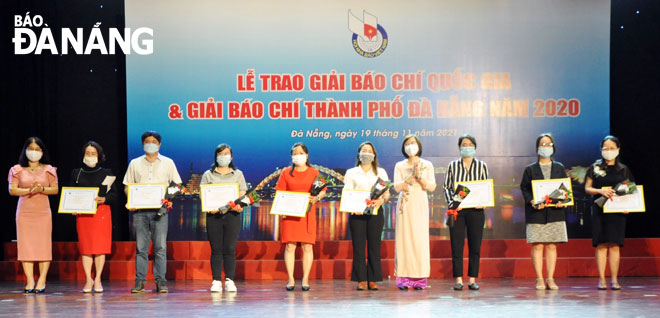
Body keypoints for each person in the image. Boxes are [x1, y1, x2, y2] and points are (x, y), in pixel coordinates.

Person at [123, 131, 182, 293]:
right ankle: (140, 281)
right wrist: (131, 200)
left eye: (154, 141)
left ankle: (160, 281)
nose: (150, 143)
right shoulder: (134, 163)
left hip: (160, 211)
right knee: (141, 248)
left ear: (159, 144)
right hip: (139, 211)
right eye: (147, 141)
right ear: (143, 144)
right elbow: (128, 186)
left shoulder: (168, 163)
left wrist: (170, 197)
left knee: (160, 247)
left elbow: (177, 185)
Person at [8, 137, 59, 294]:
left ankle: (42, 280)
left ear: (42, 152)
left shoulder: (49, 169)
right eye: (31, 148)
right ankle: (30, 280)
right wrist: (28, 191)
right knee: (26, 246)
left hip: (43, 212)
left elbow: (55, 189)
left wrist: (41, 189)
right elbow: (12, 190)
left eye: (37, 149)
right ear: (25, 150)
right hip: (25, 212)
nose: (34, 152)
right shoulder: (16, 169)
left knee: (43, 245)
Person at [520, 133, 568, 290]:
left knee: (552, 245)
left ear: (553, 147)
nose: (545, 147)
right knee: (538, 245)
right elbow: (525, 188)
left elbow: (565, 189)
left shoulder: (559, 168)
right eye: (543, 144)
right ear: (537, 147)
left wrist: (563, 201)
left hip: (555, 213)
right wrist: (532, 201)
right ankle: (539, 278)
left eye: (549, 144)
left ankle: (551, 278)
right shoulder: (530, 169)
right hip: (536, 212)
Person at [275, 142, 326, 291]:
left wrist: (317, 198)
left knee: (307, 246)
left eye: (301, 153)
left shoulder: (314, 172)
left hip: (307, 213)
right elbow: (280, 192)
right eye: (295, 153)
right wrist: (281, 207)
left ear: (307, 155)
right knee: (290, 246)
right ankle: (290, 279)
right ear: (291, 156)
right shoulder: (285, 172)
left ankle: (305, 279)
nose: (298, 156)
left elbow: (323, 190)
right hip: (290, 213)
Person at [585, 135, 634, 290]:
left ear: (618, 149)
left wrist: (628, 205)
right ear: (601, 150)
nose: (608, 151)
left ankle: (614, 280)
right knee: (601, 245)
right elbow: (587, 188)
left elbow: (631, 190)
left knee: (614, 246)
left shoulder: (624, 169)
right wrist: (600, 191)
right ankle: (601, 280)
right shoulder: (595, 168)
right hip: (599, 209)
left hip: (617, 211)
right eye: (605, 148)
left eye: (612, 148)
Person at [69, 141, 117, 293]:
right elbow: (70, 193)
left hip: (101, 213)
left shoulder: (107, 172)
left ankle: (98, 280)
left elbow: (114, 194)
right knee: (86, 248)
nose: (90, 156)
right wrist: (71, 207)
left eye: (93, 154)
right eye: (87, 154)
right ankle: (88, 280)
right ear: (83, 155)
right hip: (83, 214)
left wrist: (105, 199)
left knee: (99, 248)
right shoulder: (76, 173)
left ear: (99, 156)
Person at [443, 134, 489, 291]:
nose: (467, 147)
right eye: (464, 144)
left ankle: (472, 279)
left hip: (476, 211)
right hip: (458, 211)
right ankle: (458, 279)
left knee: (475, 244)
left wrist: (483, 202)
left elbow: (485, 187)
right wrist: (454, 204)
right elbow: (447, 187)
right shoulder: (453, 166)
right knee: (457, 244)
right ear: (459, 147)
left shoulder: (482, 166)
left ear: (475, 147)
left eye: (470, 144)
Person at [200, 144, 247, 293]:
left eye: (226, 154)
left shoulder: (238, 174)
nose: (223, 156)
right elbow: (203, 194)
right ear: (216, 157)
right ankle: (216, 281)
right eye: (220, 154)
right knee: (216, 249)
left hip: (232, 215)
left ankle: (229, 280)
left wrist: (240, 205)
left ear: (231, 157)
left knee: (230, 248)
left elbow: (242, 194)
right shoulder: (208, 174)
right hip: (213, 215)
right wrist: (209, 205)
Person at [343, 141, 390, 291]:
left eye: (369, 150)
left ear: (374, 155)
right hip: (357, 213)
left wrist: (381, 201)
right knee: (358, 246)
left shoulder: (380, 172)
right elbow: (348, 192)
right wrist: (352, 207)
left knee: (374, 246)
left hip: (375, 212)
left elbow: (386, 193)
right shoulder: (351, 172)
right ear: (359, 154)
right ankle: (361, 279)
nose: (367, 152)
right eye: (364, 150)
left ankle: (373, 279)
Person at [393, 135, 436, 290]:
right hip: (405, 202)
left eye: (413, 143)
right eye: (407, 144)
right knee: (404, 239)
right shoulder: (399, 165)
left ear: (418, 145)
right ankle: (403, 278)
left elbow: (432, 187)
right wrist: (410, 177)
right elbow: (396, 187)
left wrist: (420, 178)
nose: (410, 146)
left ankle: (419, 278)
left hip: (420, 202)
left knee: (420, 239)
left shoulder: (427, 165)